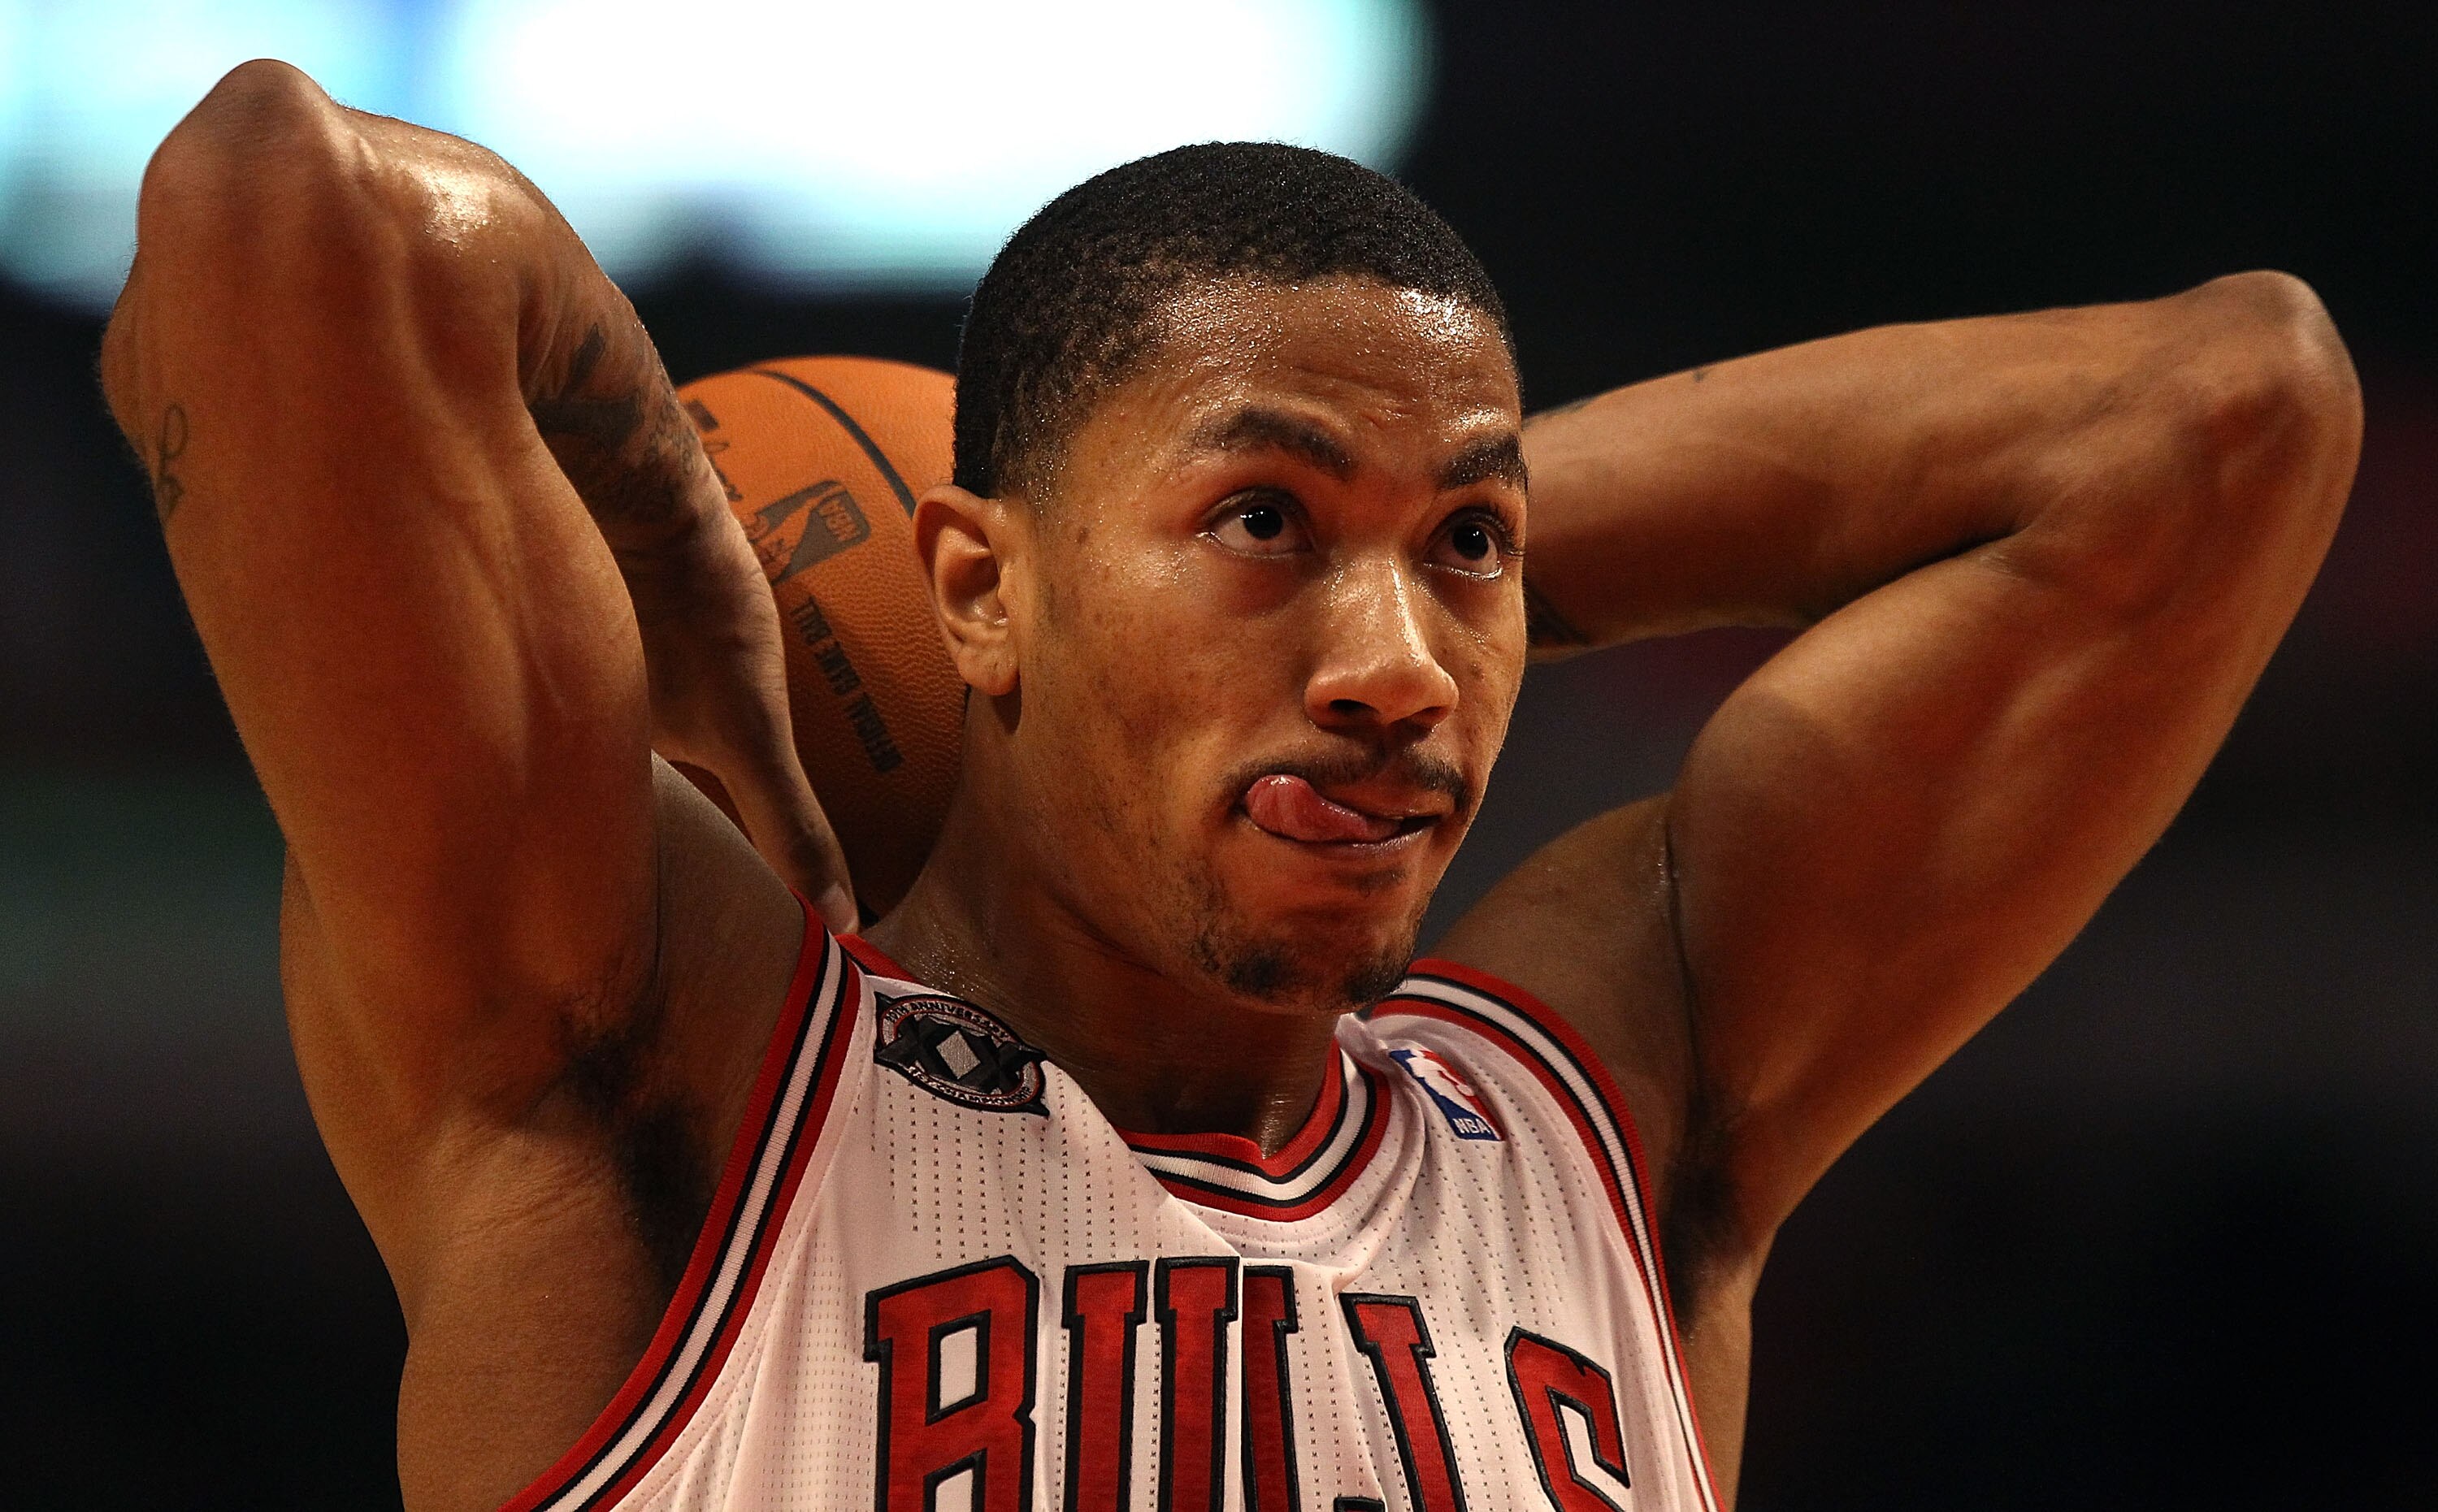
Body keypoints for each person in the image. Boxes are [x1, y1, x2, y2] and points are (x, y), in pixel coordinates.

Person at [102, 59, 2358, 1512]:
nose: (1399, 671)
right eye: (1258, 522)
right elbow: (278, 207)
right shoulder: (665, 1088)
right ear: (976, 594)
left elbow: (2230, 404)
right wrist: (686, 548)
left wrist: (1358, 558)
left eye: (1476, 546)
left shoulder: (1605, 1119)